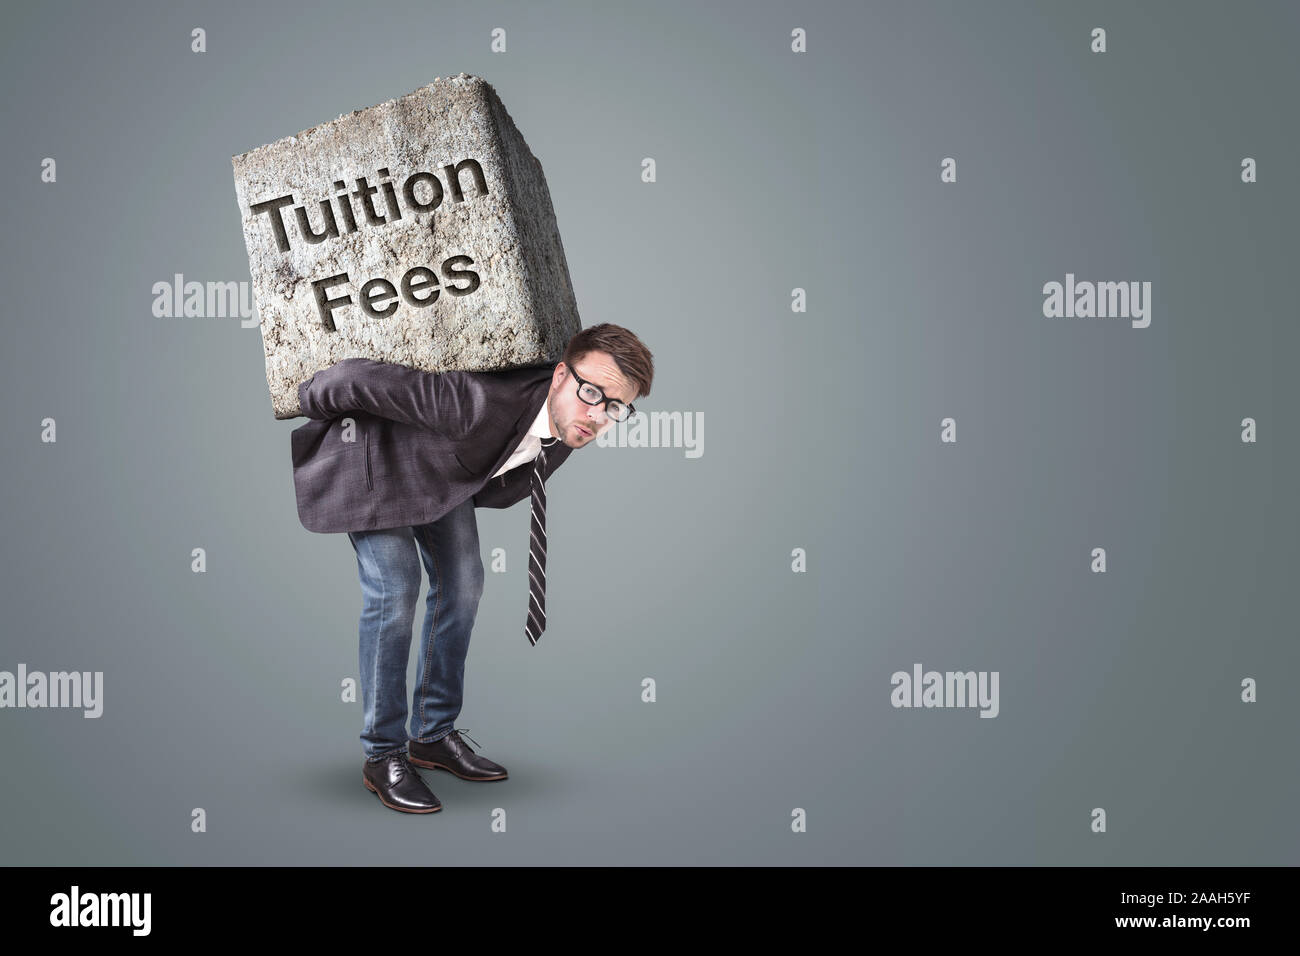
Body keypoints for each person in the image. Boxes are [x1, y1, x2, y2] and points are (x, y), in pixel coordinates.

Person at [291, 323, 654, 813]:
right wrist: (307, 395)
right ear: (561, 375)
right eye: (591, 392)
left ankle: (432, 734)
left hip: (441, 470)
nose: (597, 414)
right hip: (373, 459)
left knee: (463, 585)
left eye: (615, 407)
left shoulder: (571, 429)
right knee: (396, 590)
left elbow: (505, 478)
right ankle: (382, 754)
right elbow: (356, 376)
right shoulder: (475, 402)